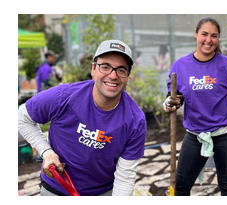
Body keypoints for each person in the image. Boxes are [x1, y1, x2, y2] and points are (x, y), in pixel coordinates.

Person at [18, 39, 147, 196]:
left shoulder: (135, 120)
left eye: (121, 70)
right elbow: (22, 117)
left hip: (102, 192)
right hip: (57, 188)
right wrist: (46, 152)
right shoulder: (63, 97)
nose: (113, 76)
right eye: (105, 67)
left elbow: (125, 177)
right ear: (93, 69)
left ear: (128, 76)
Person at [163, 17, 227, 196]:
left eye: (214, 36)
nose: (209, 40)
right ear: (196, 34)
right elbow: (176, 98)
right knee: (181, 185)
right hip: (196, 134)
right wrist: (169, 102)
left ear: (218, 39)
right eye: (204, 34)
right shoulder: (180, 66)